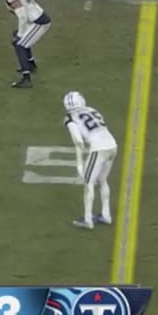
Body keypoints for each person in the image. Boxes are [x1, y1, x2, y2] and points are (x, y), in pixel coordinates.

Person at [63, 91, 117, 229]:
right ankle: (106, 215)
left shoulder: (70, 117)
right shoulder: (92, 109)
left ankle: (88, 220)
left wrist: (79, 162)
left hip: (99, 148)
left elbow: (78, 141)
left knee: (88, 183)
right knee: (102, 181)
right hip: (112, 145)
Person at [0, 0, 50, 88]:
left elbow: (22, 17)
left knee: (20, 44)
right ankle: (31, 64)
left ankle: (26, 79)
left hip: (39, 22)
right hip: (36, 19)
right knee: (19, 37)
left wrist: (20, 34)